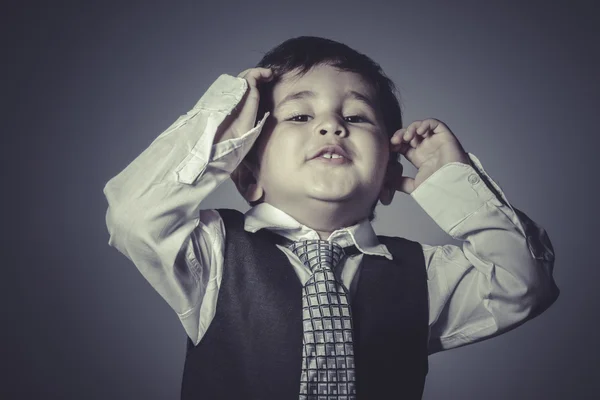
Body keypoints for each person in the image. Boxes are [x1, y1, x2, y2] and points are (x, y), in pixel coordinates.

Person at [103, 36, 559, 399]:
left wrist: (453, 182)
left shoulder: (422, 275)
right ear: (247, 175)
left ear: (386, 176)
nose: (331, 126)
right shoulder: (214, 253)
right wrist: (221, 125)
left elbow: (525, 282)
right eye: (299, 115)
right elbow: (133, 214)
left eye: (358, 118)